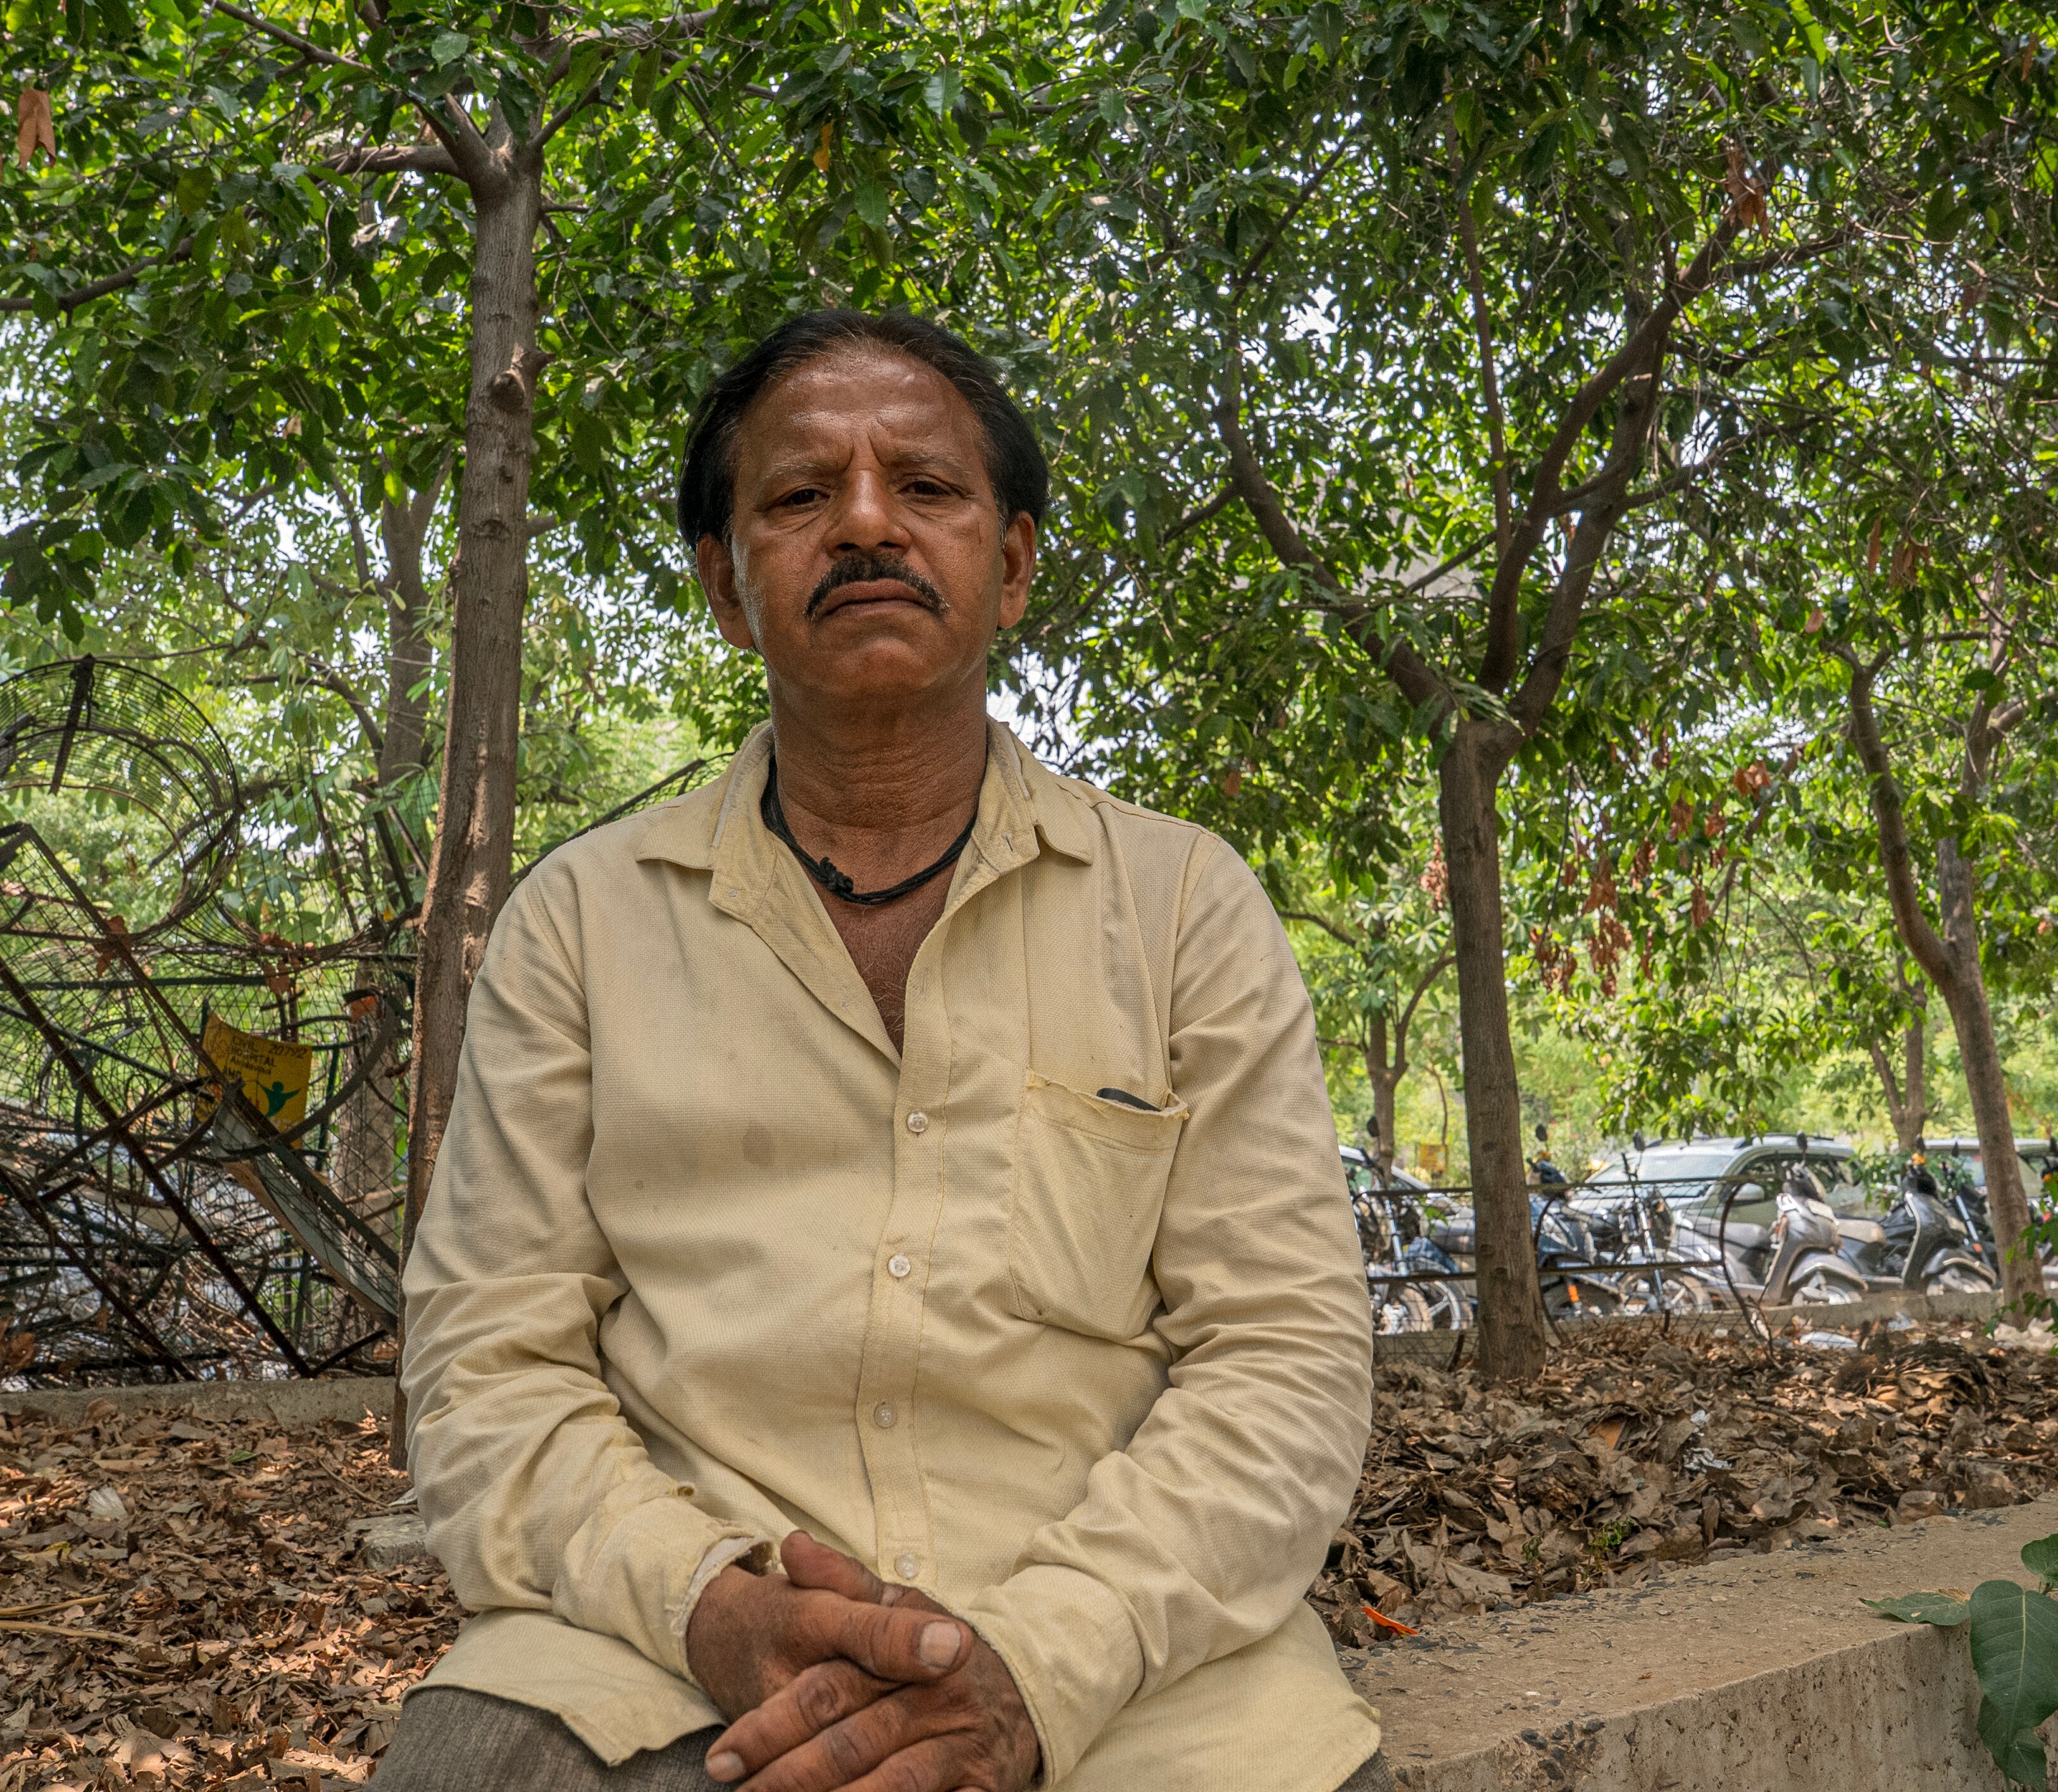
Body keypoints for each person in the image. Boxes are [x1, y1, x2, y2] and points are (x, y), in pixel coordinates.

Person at [373, 310, 1388, 1792]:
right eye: (798, 497)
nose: (863, 523)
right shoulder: (578, 926)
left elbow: (1282, 1356)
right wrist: (712, 1608)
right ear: (726, 586)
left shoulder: (1180, 909)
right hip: (648, 1660)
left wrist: (1038, 1661)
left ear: (1013, 567)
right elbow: (488, 1361)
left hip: (1142, 1682)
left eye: (924, 488)